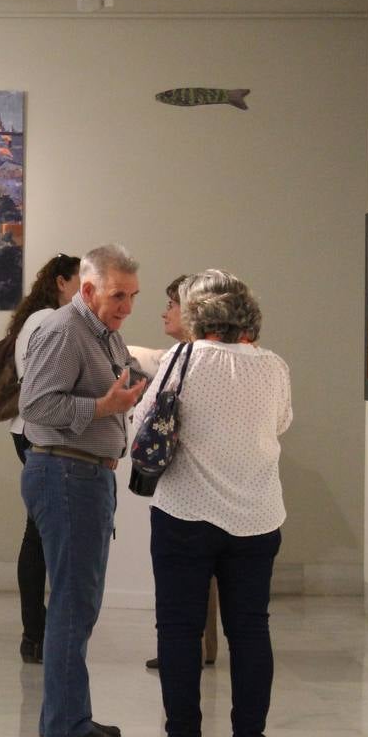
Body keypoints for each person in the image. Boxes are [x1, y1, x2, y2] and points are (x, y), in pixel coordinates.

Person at [143, 270, 291, 737]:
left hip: (185, 509)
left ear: (197, 316)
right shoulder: (273, 366)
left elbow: (148, 416)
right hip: (256, 513)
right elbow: (281, 423)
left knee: (179, 628)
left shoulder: (181, 359)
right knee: (250, 629)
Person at [19, 244, 148, 737]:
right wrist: (101, 408)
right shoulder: (64, 331)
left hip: (86, 475)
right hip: (65, 475)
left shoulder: (103, 333)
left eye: (133, 296)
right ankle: (65, 725)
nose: (127, 307)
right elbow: (36, 404)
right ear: (89, 290)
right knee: (74, 604)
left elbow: (124, 379)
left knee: (81, 602)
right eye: (119, 296)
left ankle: (71, 714)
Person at [5, 253, 82, 664]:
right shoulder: (48, 322)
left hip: (31, 432)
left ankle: (37, 631)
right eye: (80, 281)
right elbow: (47, 389)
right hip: (38, 435)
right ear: (60, 282)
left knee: (38, 533)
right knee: (40, 535)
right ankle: (36, 632)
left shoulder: (37, 320)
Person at [143, 275, 221, 672]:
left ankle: (189, 649)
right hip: (218, 499)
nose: (165, 312)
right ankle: (198, 646)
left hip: (188, 497)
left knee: (184, 588)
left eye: (172, 304)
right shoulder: (222, 357)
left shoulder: (186, 359)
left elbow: (146, 416)